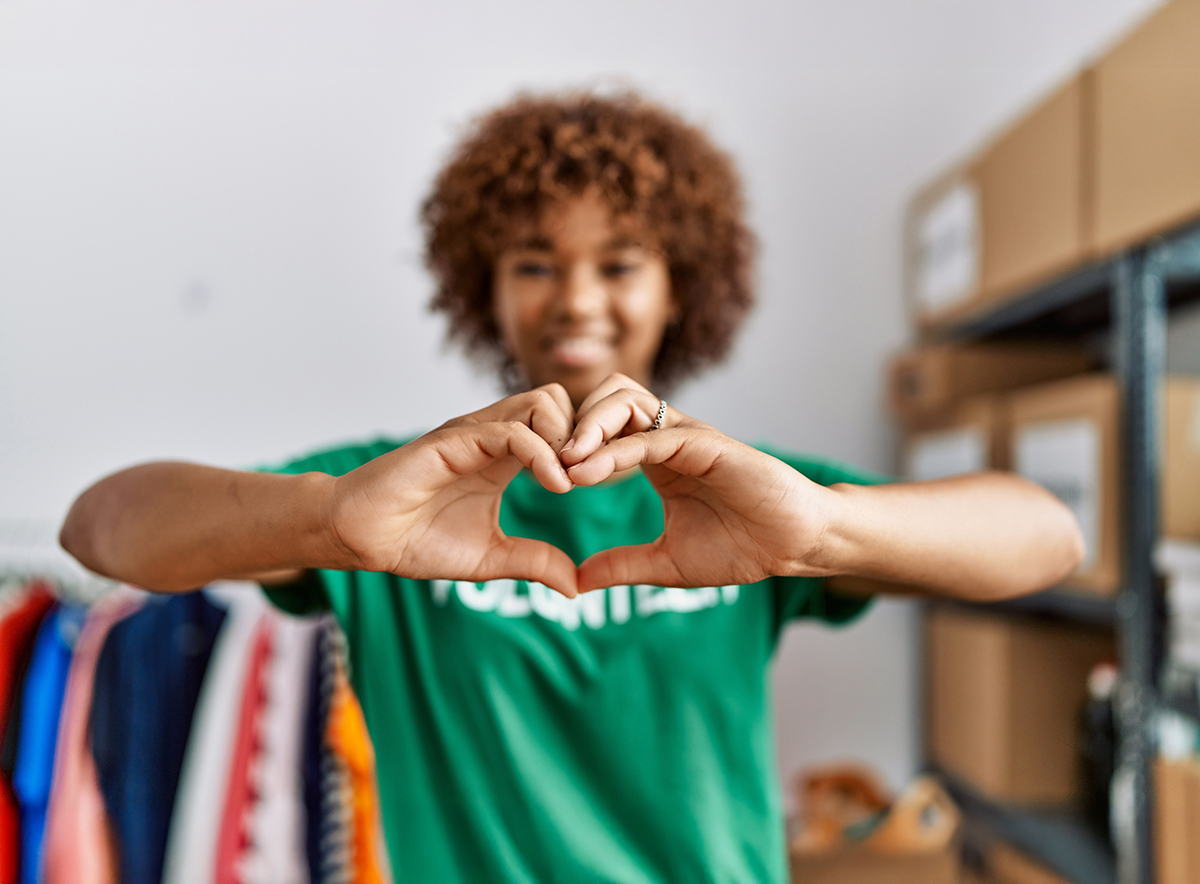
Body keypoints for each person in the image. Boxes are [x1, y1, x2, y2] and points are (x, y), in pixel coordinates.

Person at [59, 89, 1084, 883]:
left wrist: (820, 529)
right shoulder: (396, 490)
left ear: (681, 285)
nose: (577, 300)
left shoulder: (748, 492)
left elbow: (1047, 536)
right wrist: (331, 519)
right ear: (485, 287)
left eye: (621, 263)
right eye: (536, 263)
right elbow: (102, 526)